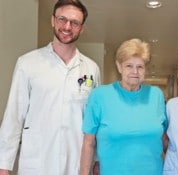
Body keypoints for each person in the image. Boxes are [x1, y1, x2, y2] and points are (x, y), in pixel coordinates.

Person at [0, 0, 100, 174]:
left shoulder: (91, 69)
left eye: (75, 22)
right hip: (38, 163)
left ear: (81, 28)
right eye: (62, 19)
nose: (67, 26)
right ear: (53, 20)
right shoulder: (27, 63)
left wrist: (97, 161)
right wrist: (3, 166)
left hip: (76, 163)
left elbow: (96, 122)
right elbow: (14, 117)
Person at [80, 38, 167, 175]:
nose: (135, 72)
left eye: (140, 66)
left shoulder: (156, 95)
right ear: (119, 66)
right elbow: (88, 142)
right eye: (129, 66)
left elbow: (166, 138)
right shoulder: (100, 96)